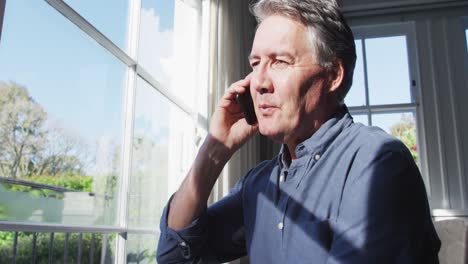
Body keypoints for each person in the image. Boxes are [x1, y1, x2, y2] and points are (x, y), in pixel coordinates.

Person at [156, 0, 441, 263]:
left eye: (280, 61)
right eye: (255, 64)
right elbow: (173, 256)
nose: (258, 82)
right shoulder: (259, 184)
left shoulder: (377, 162)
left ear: (332, 76)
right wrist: (215, 149)